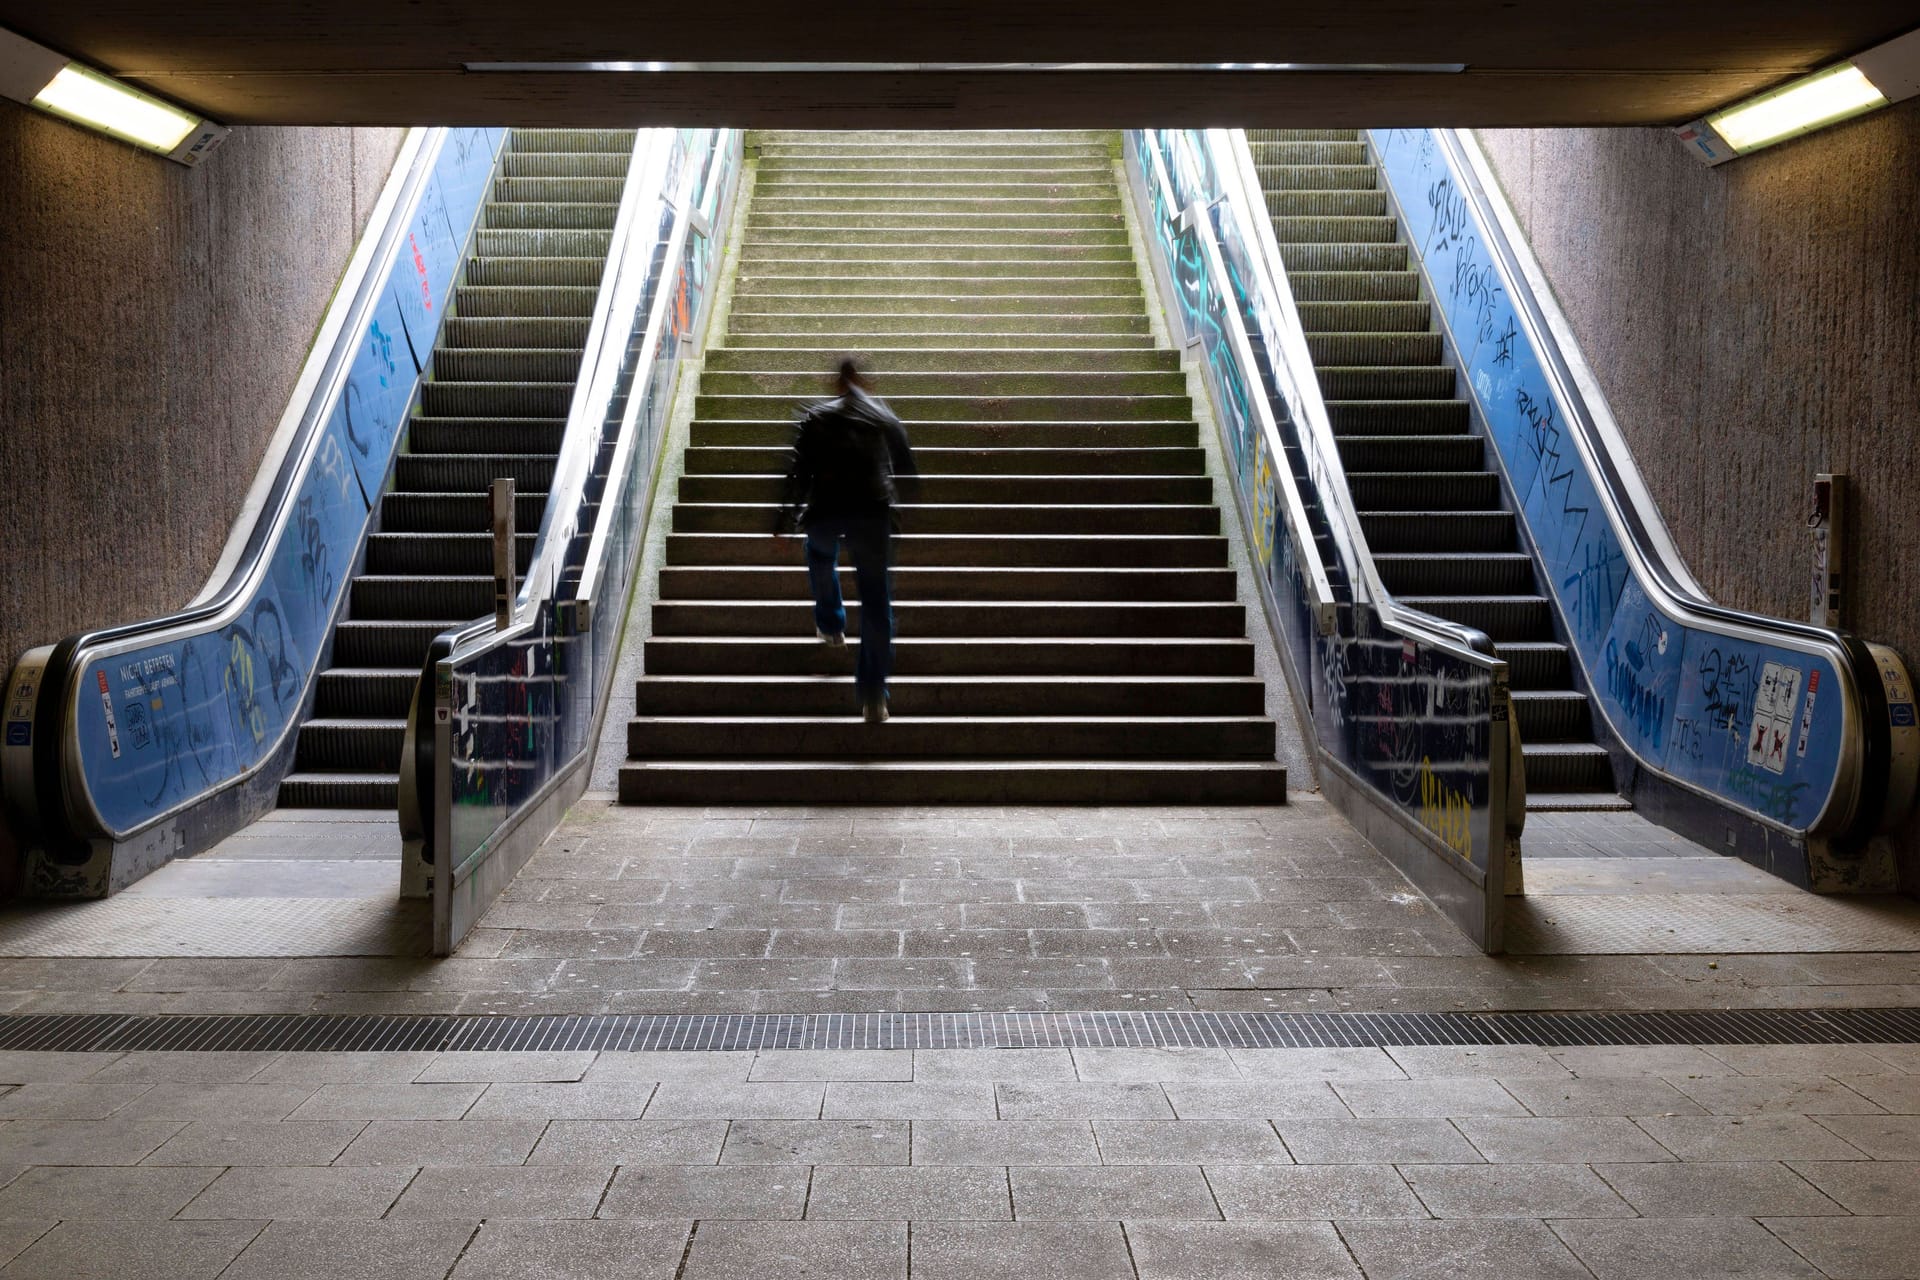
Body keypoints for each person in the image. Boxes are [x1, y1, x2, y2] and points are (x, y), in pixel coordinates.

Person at [774, 358, 917, 723]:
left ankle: (831, 622)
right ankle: (873, 695)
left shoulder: (817, 416)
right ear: (863, 381)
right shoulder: (883, 416)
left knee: (819, 550)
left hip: (827, 510)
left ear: (836, 383)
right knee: (875, 601)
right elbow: (906, 470)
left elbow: (797, 470)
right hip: (873, 511)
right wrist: (902, 510)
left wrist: (785, 518)